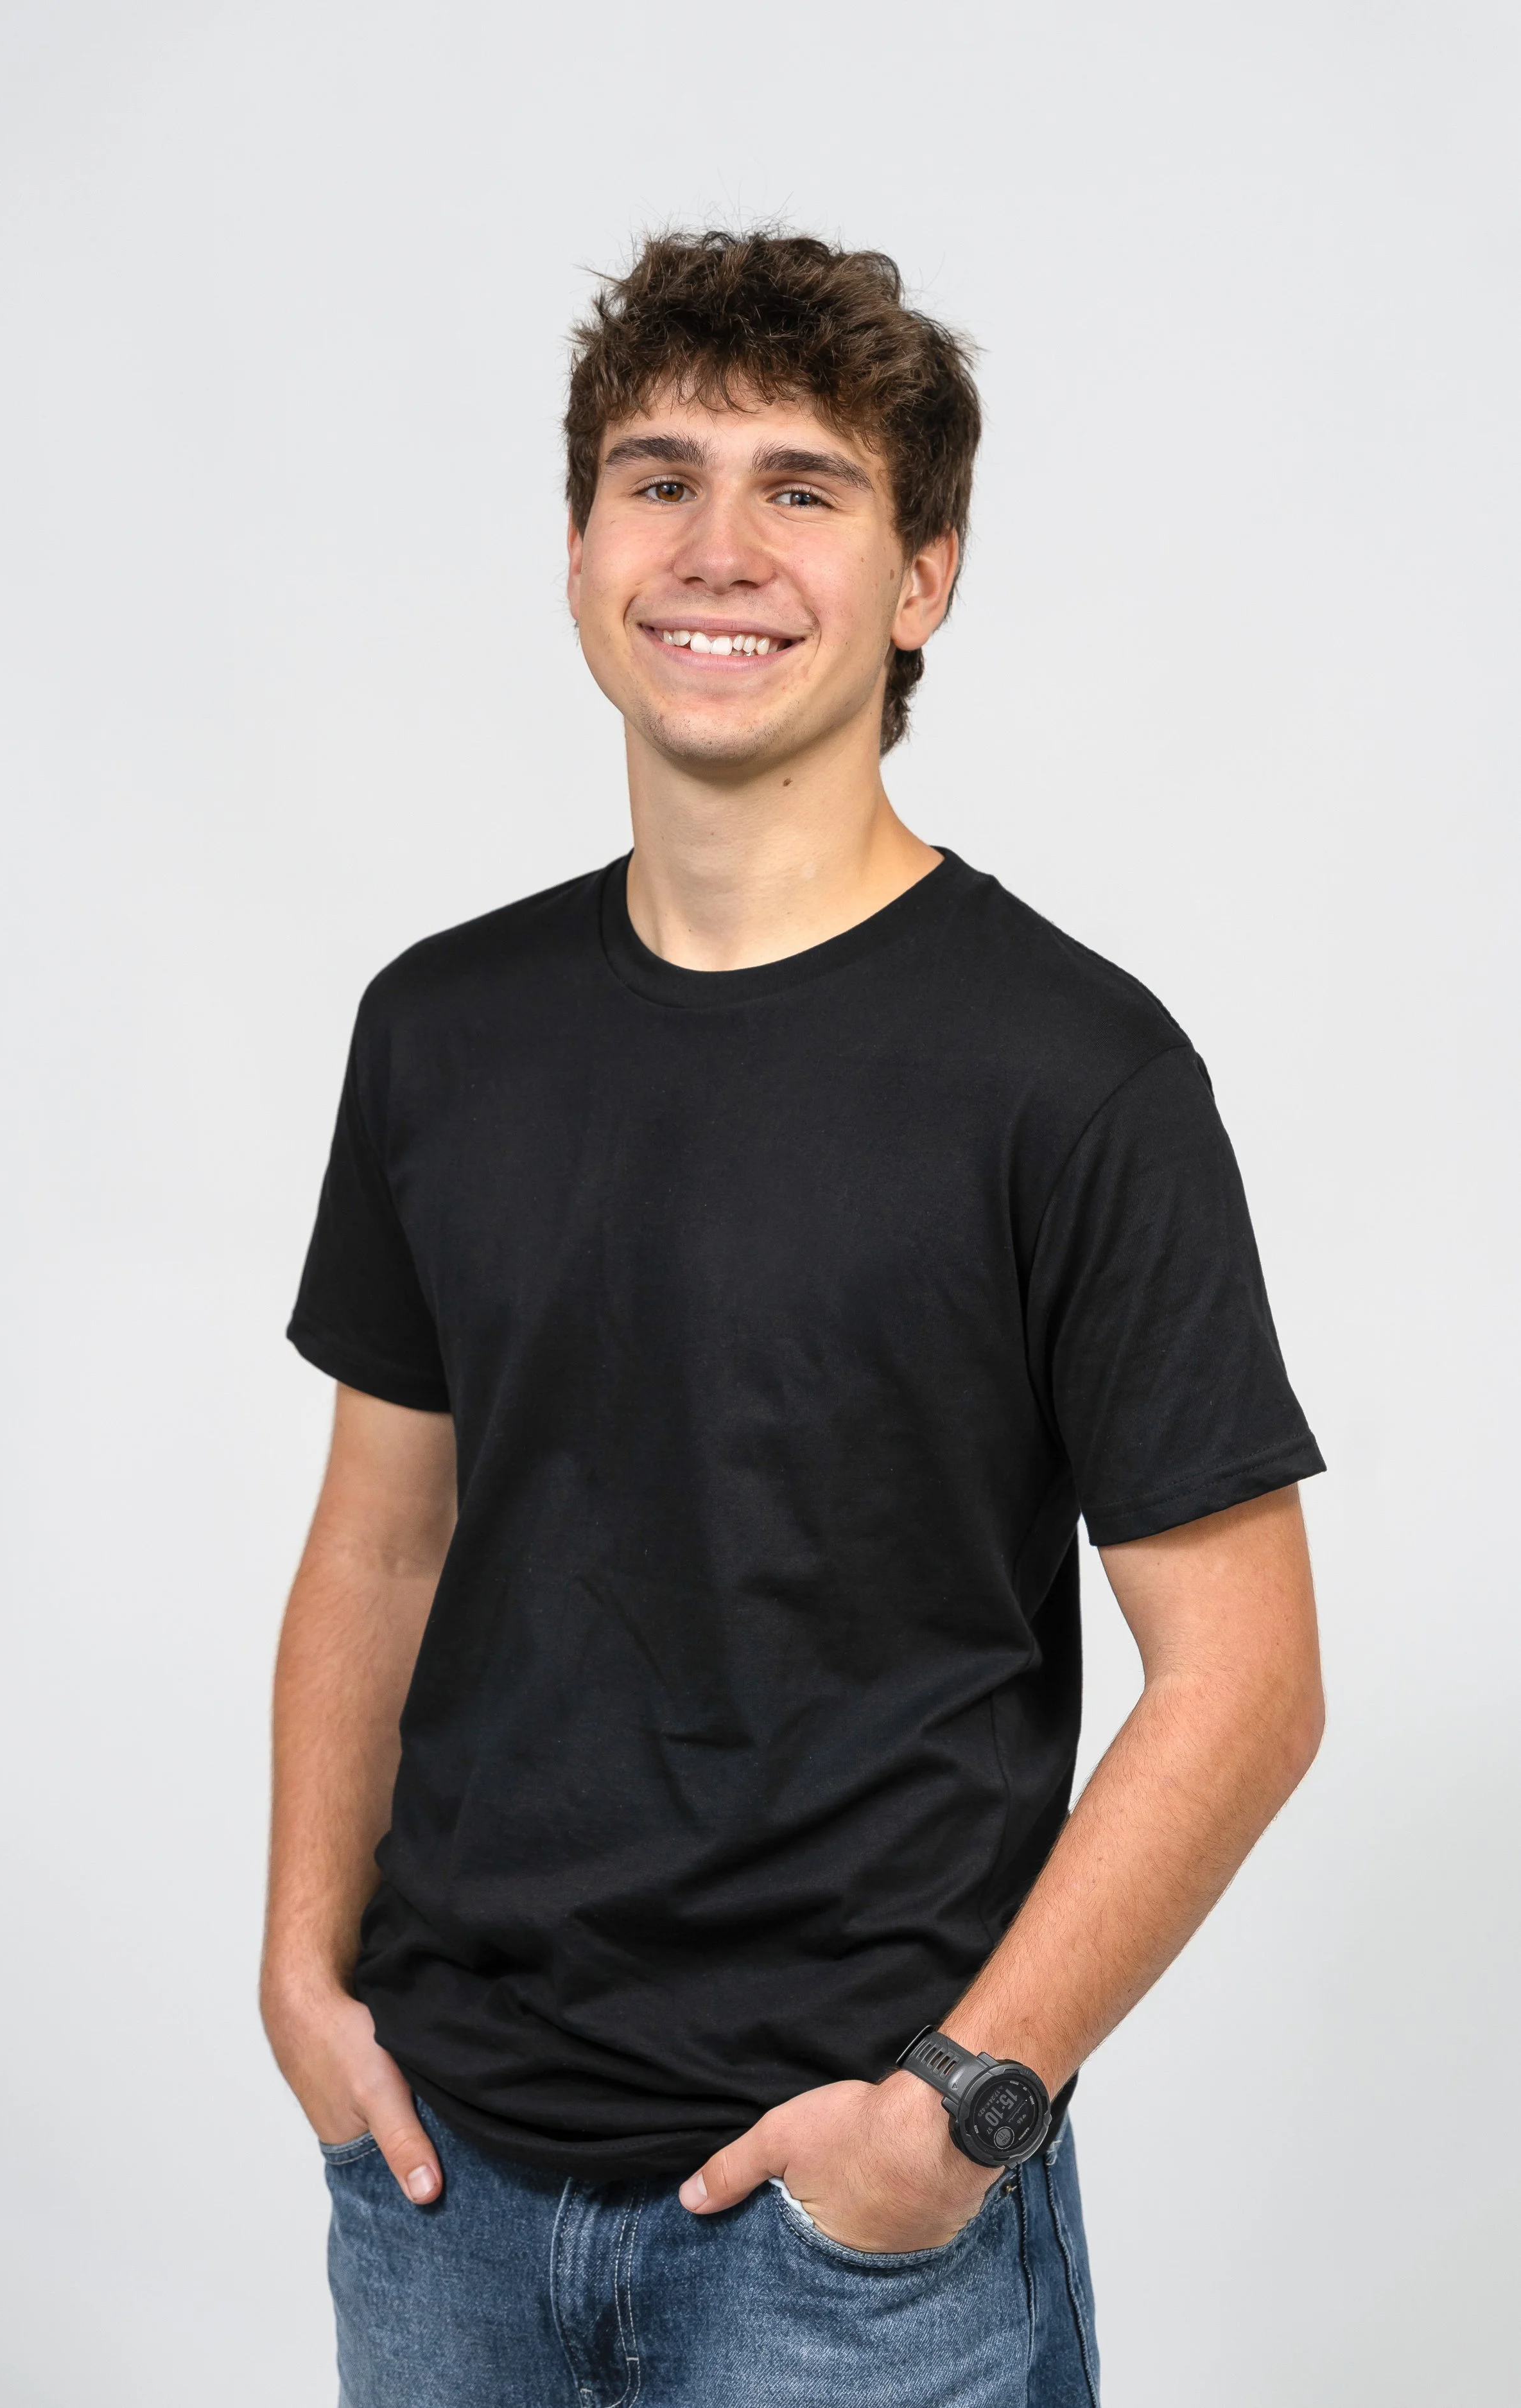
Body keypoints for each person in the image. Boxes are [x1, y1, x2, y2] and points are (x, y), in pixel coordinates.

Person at [262, 229, 1325, 2408]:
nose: (715, 547)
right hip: (443, 2190)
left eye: (802, 487)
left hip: (851, 2247)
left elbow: (1245, 1678)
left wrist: (956, 2113)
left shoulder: (1073, 1072)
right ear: (579, 547)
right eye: (656, 478)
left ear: (923, 577)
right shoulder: (440, 1028)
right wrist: (297, 1967)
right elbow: (382, 1531)